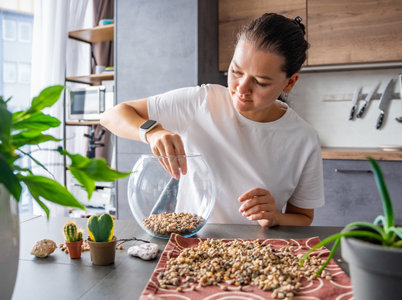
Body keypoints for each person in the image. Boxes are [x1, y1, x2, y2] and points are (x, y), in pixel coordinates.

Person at [100, 13, 324, 227]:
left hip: (258, 254)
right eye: (236, 71)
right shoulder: (202, 102)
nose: (241, 89)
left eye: (260, 82)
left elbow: (303, 217)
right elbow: (112, 116)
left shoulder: (303, 139)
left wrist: (274, 217)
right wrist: (152, 131)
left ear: (289, 83)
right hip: (191, 245)